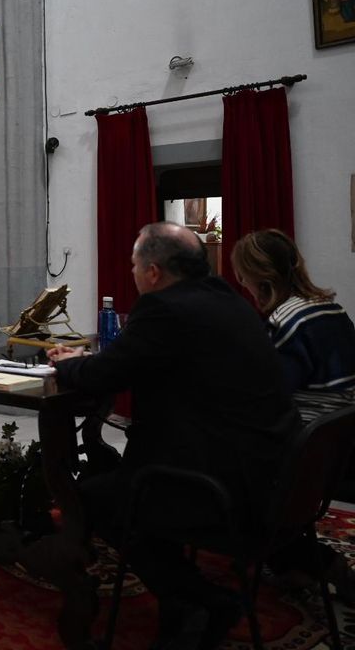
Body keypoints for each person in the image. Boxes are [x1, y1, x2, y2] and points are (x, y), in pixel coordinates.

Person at [47, 222, 300, 647]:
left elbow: (105, 374)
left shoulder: (163, 309)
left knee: (87, 498)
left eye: (133, 264)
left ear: (153, 272)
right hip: (275, 473)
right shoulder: (228, 300)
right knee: (114, 478)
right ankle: (184, 592)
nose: (131, 272)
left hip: (218, 487)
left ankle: (199, 600)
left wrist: (68, 363)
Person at [230, 229, 355, 422]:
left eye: (244, 276)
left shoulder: (285, 321)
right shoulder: (331, 308)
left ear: (263, 279)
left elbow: (270, 395)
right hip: (342, 430)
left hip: (308, 432)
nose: (244, 283)